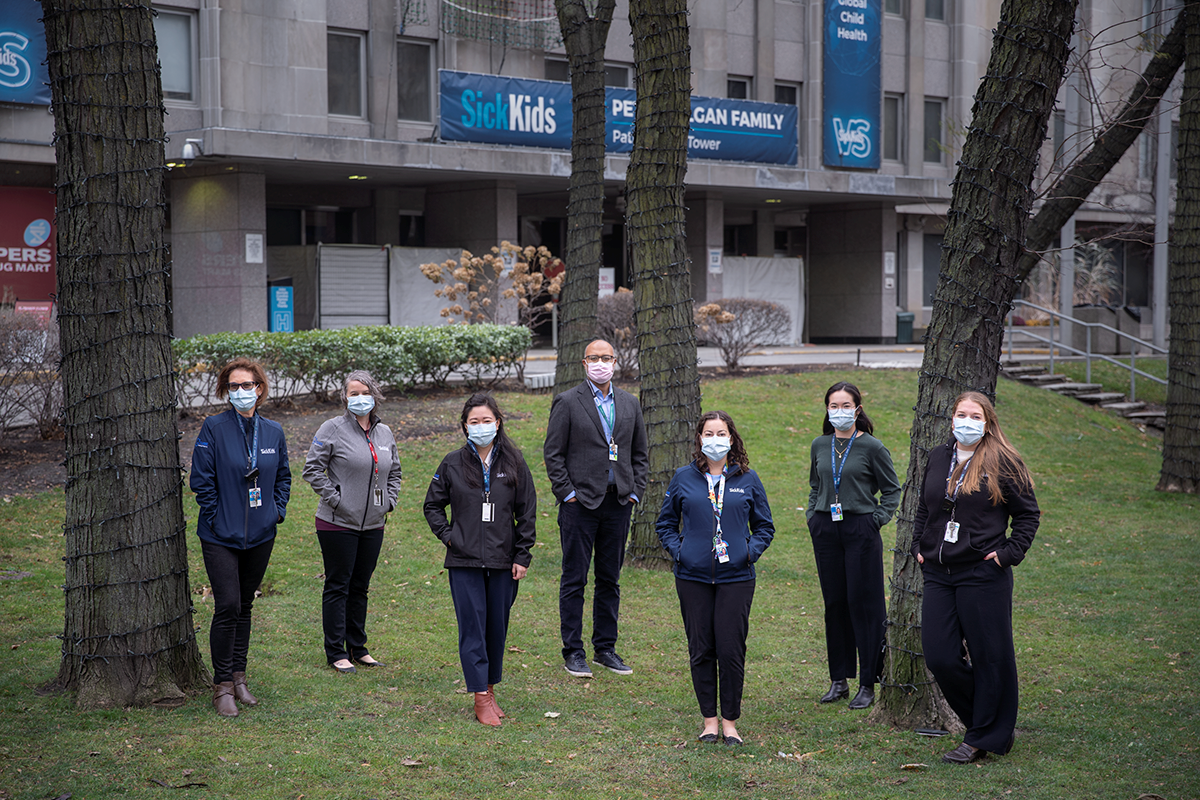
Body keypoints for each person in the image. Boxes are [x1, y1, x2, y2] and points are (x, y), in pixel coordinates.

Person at [912, 391, 1039, 764]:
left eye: (975, 415)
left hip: (982, 574)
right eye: (960, 414)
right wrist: (921, 545)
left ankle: (982, 736)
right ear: (951, 419)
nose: (966, 422)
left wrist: (1007, 555)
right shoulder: (938, 457)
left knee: (990, 656)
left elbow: (1028, 515)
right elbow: (925, 507)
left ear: (987, 423)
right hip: (937, 572)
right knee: (940, 657)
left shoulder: (1003, 461)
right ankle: (990, 725)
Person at [656, 411, 774, 746]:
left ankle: (730, 722)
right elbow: (665, 523)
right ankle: (709, 720)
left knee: (731, 649)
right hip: (692, 577)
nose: (715, 439)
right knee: (701, 648)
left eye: (721, 433)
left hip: (736, 577)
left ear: (732, 438)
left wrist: (749, 551)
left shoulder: (747, 479)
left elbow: (765, 526)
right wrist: (680, 551)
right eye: (709, 433)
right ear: (699, 439)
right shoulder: (683, 478)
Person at [424, 393, 536, 727]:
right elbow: (432, 505)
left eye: (487, 421)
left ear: (498, 423)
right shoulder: (452, 463)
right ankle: (479, 696)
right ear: (465, 426)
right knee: (473, 628)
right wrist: (450, 537)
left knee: (496, 628)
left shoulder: (514, 462)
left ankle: (489, 687)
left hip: (504, 561)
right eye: (474, 422)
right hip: (464, 562)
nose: (481, 427)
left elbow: (526, 511)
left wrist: (522, 554)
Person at [190, 358, 291, 717]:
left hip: (261, 535)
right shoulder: (213, 428)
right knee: (228, 604)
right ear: (226, 391)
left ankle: (239, 677)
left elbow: (282, 477)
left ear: (259, 388)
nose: (241, 392)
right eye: (234, 386)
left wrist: (275, 511)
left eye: (247, 385)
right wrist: (216, 517)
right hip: (220, 534)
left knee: (245, 605)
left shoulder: (274, 432)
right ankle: (222, 686)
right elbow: (201, 480)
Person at [544, 339, 648, 679]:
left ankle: (606, 648)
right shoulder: (568, 402)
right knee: (575, 579)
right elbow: (553, 454)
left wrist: (635, 492)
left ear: (615, 362)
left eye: (606, 357)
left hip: (618, 502)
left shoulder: (630, 403)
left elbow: (640, 455)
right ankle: (573, 651)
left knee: (610, 579)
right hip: (580, 505)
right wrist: (567, 494)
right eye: (594, 358)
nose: (600, 363)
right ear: (584, 362)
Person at [806, 381, 902, 710]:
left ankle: (867, 682)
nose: (840, 411)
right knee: (835, 604)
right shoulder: (820, 444)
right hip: (826, 529)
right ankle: (838, 679)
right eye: (834, 406)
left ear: (857, 409)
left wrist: (875, 520)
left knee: (863, 604)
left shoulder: (872, 447)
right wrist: (811, 516)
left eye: (846, 406)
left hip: (860, 529)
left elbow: (892, 490)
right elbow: (815, 484)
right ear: (827, 409)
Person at [302, 370, 402, 674]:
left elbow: (394, 471)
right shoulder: (332, 429)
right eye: (353, 393)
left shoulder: (384, 433)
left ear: (375, 395)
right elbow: (312, 470)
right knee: (338, 585)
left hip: (373, 524)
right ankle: (336, 651)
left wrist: (389, 502)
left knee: (360, 586)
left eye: (364, 392)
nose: (359, 398)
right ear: (345, 397)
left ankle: (358, 648)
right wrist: (337, 499)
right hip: (336, 523)